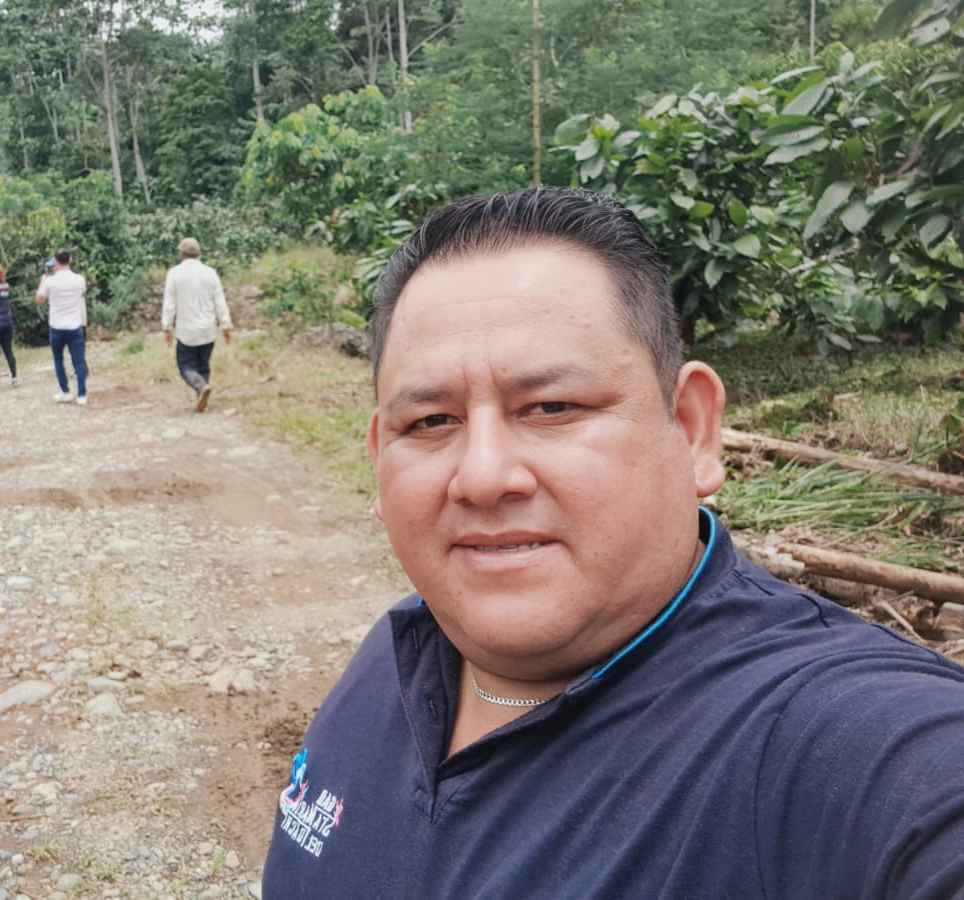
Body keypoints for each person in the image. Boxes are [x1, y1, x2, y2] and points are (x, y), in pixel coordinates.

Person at [261, 187, 964, 898]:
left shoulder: (837, 743)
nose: (482, 477)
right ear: (379, 460)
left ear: (692, 429)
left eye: (552, 407)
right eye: (431, 422)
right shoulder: (400, 649)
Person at [161, 237, 233, 412]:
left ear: (181, 254)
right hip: (208, 329)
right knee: (203, 365)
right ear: (199, 253)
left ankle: (201, 388)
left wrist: (167, 327)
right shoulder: (210, 273)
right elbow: (220, 301)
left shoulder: (175, 273)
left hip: (187, 331)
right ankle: (202, 395)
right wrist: (225, 325)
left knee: (185, 365)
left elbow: (169, 304)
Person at [35, 249, 89, 406]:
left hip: (57, 326)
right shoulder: (80, 279)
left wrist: (41, 282)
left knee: (58, 359)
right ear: (70, 260)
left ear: (56, 262)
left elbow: (39, 300)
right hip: (75, 325)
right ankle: (82, 394)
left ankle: (65, 391)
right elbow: (81, 294)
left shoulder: (50, 281)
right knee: (78, 359)